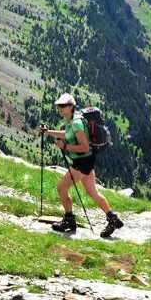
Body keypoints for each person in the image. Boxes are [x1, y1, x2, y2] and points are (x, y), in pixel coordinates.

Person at [39, 93, 124, 238]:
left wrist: (65, 147)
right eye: (59, 106)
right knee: (92, 192)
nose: (60, 108)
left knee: (61, 188)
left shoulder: (76, 123)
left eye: (63, 106)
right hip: (87, 161)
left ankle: (69, 220)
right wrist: (48, 132)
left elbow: (85, 146)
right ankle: (113, 219)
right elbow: (67, 134)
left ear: (71, 107)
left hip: (82, 162)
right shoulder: (73, 120)